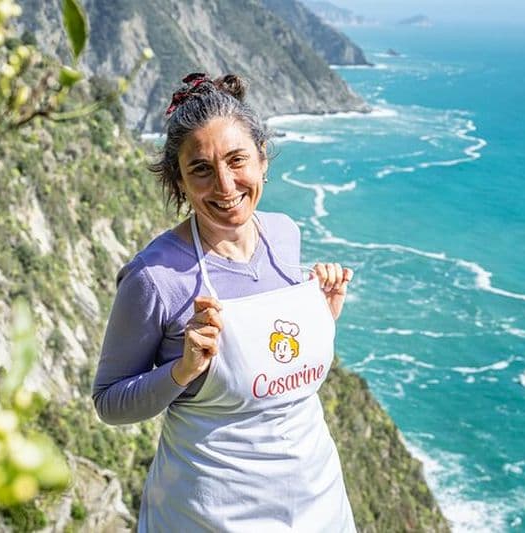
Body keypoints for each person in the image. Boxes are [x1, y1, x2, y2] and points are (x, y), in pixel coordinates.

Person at [92, 73, 357, 532]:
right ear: (179, 182)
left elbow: (281, 374)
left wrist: (323, 318)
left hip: (318, 506)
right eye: (201, 169)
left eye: (238, 160)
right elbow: (109, 402)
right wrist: (183, 370)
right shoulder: (155, 277)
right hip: (207, 516)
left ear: (262, 161)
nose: (225, 184)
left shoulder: (284, 237)